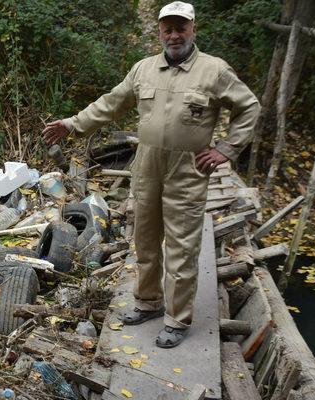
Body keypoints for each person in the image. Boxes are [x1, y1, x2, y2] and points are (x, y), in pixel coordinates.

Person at [42, 1, 260, 348]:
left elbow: (249, 106)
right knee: (144, 238)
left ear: (192, 29)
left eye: (180, 28)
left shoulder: (214, 70)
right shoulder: (143, 69)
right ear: (160, 31)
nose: (174, 35)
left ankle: (177, 319)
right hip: (146, 166)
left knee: (182, 246)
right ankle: (148, 302)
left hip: (188, 170)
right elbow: (110, 103)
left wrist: (226, 149)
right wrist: (72, 124)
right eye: (167, 29)